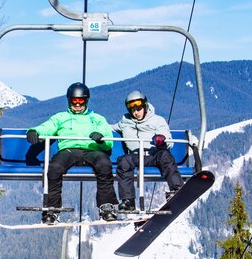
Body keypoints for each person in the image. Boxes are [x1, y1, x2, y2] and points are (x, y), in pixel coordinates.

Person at [26, 83, 118, 224]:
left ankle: (106, 206)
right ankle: (53, 208)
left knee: (104, 164)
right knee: (55, 167)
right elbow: (47, 127)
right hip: (69, 150)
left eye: (80, 101)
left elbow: (108, 139)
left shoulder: (97, 119)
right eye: (74, 101)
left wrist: (100, 139)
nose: (77, 105)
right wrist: (34, 131)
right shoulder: (61, 117)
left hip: (92, 149)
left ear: (86, 101)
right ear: (69, 101)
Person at [112, 90, 184, 211]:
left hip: (154, 154)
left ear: (145, 106)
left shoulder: (157, 120)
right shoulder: (124, 122)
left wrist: (161, 139)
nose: (136, 112)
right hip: (136, 156)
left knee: (165, 156)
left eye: (139, 108)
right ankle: (128, 201)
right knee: (123, 161)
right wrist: (97, 130)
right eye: (133, 109)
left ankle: (177, 189)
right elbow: (108, 128)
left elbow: (165, 134)